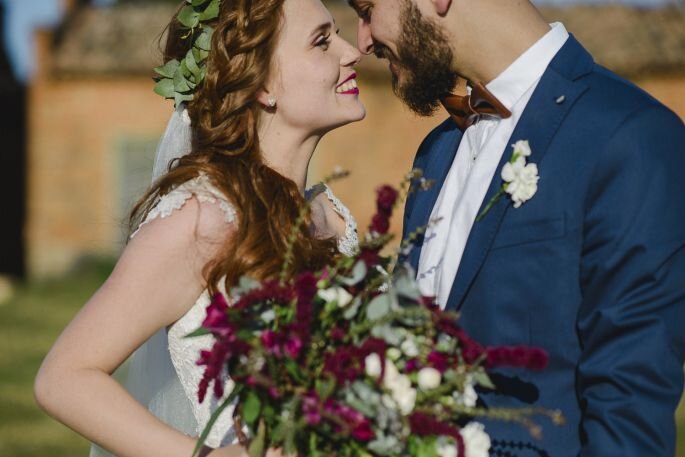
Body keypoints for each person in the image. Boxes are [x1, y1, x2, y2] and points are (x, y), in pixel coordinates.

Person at [347, 0, 685, 455]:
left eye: (367, 9)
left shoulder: (630, 136)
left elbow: (627, 412)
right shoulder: (437, 149)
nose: (362, 39)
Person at [34, 0, 364, 455]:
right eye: (322, 41)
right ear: (264, 83)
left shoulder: (330, 214)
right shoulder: (203, 218)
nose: (352, 52)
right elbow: (64, 378)